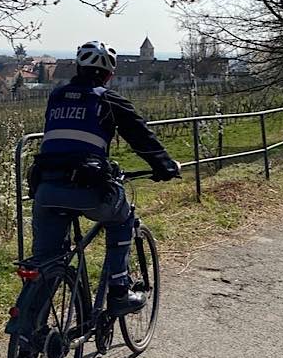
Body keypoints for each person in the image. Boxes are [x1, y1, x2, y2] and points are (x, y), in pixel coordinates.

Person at [29, 39, 181, 317]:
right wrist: (165, 166)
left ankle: (29, 335)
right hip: (88, 186)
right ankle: (120, 292)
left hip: (46, 187)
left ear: (76, 67)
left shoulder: (57, 96)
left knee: (44, 264)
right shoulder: (108, 100)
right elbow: (141, 137)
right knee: (122, 218)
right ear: (110, 74)